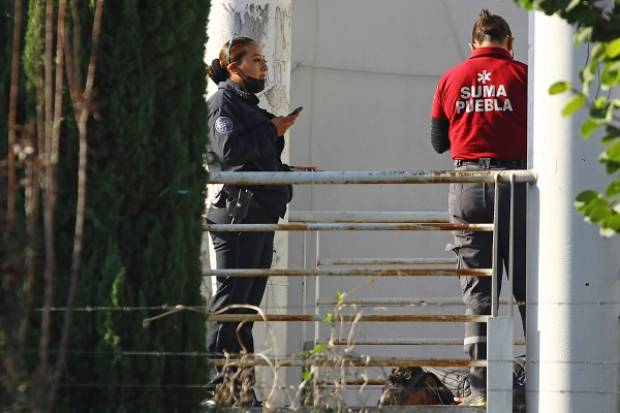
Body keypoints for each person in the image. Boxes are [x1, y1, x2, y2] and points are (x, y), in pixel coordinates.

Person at [205, 36, 313, 407]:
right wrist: (273, 130)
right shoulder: (223, 101)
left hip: (259, 214)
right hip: (238, 216)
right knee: (231, 308)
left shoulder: (248, 105)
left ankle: (239, 394)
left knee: (245, 314)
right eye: (255, 60)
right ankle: (219, 389)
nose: (263, 66)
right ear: (234, 67)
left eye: (264, 60)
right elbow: (229, 152)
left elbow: (255, 160)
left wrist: (288, 171)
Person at [430, 9, 527, 407]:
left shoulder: (450, 78)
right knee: (528, 287)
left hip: (468, 186)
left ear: (474, 45)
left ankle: (482, 390)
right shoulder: (523, 75)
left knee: (478, 293)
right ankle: (545, 378)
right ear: (509, 43)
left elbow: (439, 142)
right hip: (520, 186)